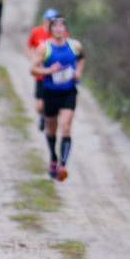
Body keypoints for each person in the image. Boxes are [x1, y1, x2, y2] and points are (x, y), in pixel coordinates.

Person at [31, 16, 84, 182]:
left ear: (65, 29)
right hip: (50, 93)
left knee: (66, 127)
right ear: (51, 30)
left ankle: (63, 166)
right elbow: (33, 69)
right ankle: (53, 158)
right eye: (56, 27)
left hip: (68, 92)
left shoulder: (75, 45)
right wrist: (49, 71)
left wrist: (78, 72)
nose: (59, 29)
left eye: (62, 26)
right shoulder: (44, 48)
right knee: (51, 130)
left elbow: (81, 58)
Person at [25, 8, 68, 131]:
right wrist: (34, 59)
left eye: (53, 20)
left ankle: (53, 121)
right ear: (44, 20)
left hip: (56, 76)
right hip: (41, 75)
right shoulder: (36, 31)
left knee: (57, 105)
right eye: (49, 20)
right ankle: (43, 116)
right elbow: (28, 47)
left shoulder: (61, 34)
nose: (51, 22)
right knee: (40, 106)